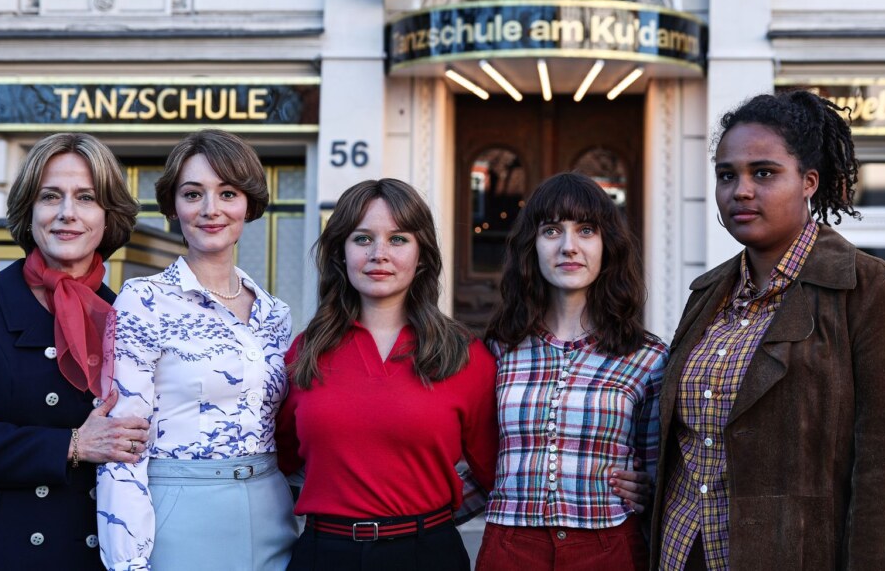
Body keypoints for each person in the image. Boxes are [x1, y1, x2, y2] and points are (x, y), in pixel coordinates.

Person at [650, 91, 885, 570]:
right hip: (680, 554)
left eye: (763, 173)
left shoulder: (871, 292)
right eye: (727, 175)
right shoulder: (707, 294)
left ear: (808, 182)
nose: (740, 190)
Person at [0, 133, 149, 570]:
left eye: (86, 198)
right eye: (50, 196)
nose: (67, 213)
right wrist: (72, 445)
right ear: (29, 211)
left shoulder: (129, 315)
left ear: (108, 216)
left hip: (87, 549)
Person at [97, 129, 296, 570]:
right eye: (193, 194)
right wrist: (127, 561)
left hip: (272, 510)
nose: (211, 209)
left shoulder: (275, 314)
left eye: (228, 193)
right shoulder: (143, 301)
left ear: (248, 204)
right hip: (179, 512)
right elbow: (122, 445)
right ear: (173, 206)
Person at [276, 178, 498, 571]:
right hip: (325, 554)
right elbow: (279, 462)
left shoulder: (465, 354)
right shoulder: (304, 352)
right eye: (362, 239)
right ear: (340, 253)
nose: (379, 254)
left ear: (422, 255)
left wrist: (430, 518)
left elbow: (500, 472)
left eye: (398, 239)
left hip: (427, 554)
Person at [476, 172, 669, 571]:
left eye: (586, 230)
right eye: (551, 231)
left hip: (608, 547)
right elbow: (476, 457)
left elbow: (658, 474)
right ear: (532, 246)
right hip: (510, 546)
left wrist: (646, 487)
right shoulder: (498, 350)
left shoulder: (647, 357)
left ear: (606, 245)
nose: (568, 247)